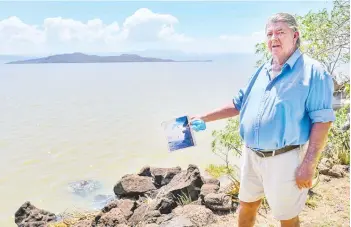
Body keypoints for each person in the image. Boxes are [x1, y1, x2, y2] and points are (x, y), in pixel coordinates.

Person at [190, 13, 335, 227]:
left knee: (286, 217)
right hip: (251, 156)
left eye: (280, 32)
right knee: (246, 205)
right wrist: (204, 117)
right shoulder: (262, 70)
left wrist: (309, 164)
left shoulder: (313, 72)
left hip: (284, 159)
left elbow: (322, 121)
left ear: (295, 35)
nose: (273, 38)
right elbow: (238, 104)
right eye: (269, 33)